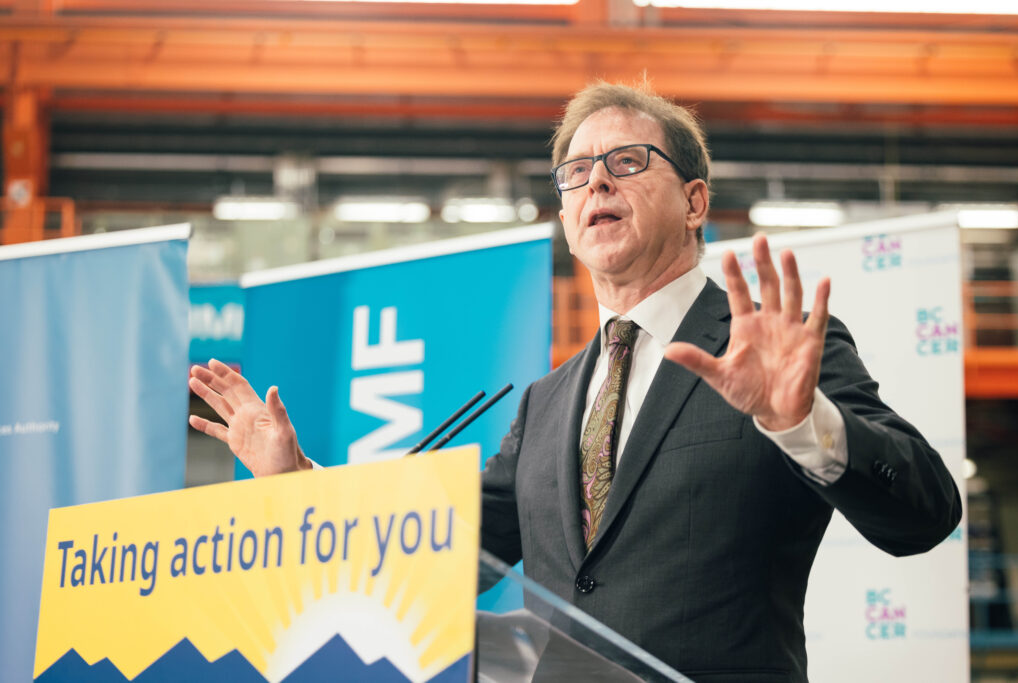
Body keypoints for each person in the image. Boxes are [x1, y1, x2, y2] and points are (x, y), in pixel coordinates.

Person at [189, 81, 961, 683]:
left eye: (626, 162)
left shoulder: (770, 354)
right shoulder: (549, 401)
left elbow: (923, 511)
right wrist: (297, 480)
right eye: (576, 172)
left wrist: (799, 422)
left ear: (695, 202)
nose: (596, 183)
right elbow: (439, 546)